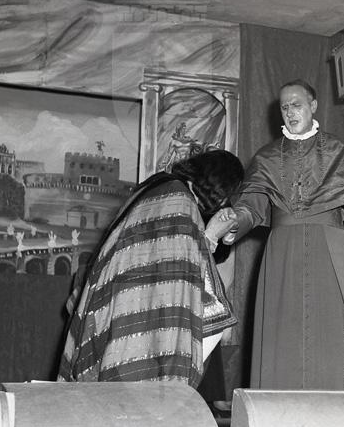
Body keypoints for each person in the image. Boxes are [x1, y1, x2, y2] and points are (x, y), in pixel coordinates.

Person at [207, 79, 344, 390]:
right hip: (282, 253)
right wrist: (232, 223)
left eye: (297, 105)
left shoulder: (341, 152)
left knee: (328, 334)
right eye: (285, 107)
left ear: (313, 106)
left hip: (327, 250)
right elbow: (251, 208)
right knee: (281, 335)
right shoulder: (266, 158)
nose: (291, 112)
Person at [58, 149, 244, 387]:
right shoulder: (179, 199)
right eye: (227, 196)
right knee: (215, 313)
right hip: (135, 300)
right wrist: (212, 235)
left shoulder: (159, 186)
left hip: (118, 297)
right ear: (218, 187)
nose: (225, 203)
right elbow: (181, 268)